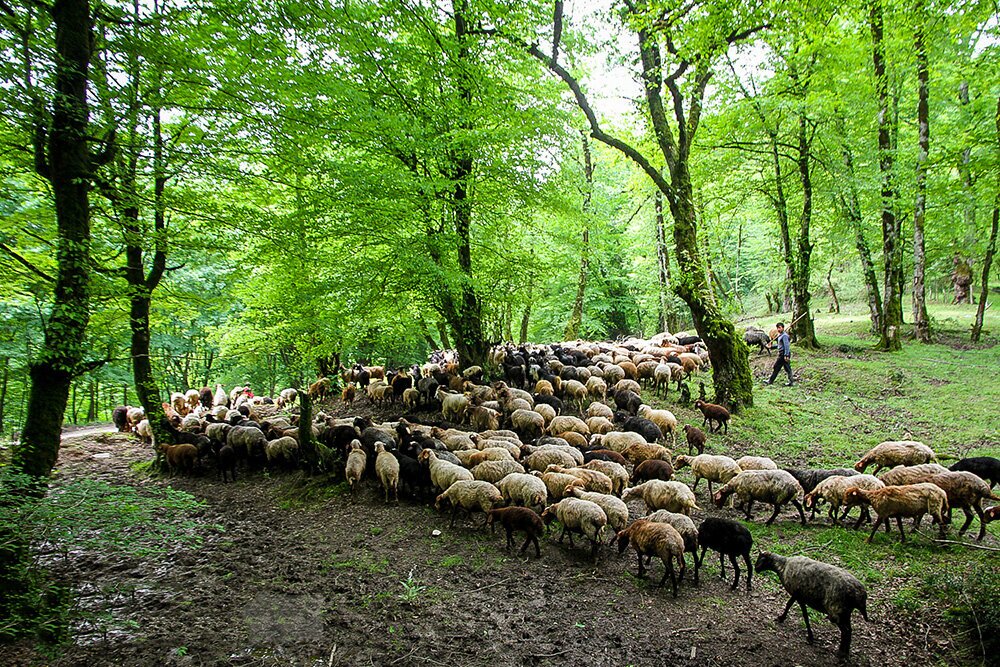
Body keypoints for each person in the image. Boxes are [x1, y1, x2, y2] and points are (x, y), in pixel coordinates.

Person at [766, 322, 793, 386]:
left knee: (776, 367)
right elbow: (779, 345)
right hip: (782, 353)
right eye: (777, 328)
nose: (778, 329)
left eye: (780, 328)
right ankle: (791, 381)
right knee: (787, 368)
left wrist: (786, 355)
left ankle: (770, 381)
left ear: (783, 328)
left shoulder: (784, 336)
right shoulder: (780, 335)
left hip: (783, 354)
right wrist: (771, 347)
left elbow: (787, 346)